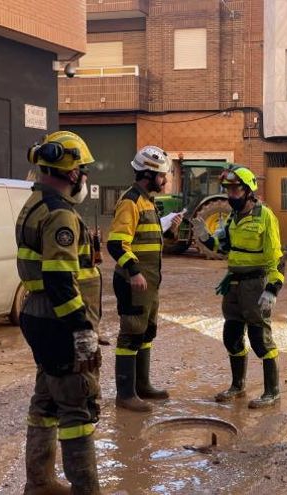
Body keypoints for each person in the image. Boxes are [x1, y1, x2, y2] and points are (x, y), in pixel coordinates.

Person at [16, 131, 102, 494]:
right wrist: (82, 329)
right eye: (82, 168)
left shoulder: (33, 204)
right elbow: (60, 280)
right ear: (70, 172)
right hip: (59, 320)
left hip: (37, 316)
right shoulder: (60, 215)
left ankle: (39, 482)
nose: (84, 175)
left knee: (46, 398)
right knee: (78, 404)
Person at [192, 165, 285, 409]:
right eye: (228, 190)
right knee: (231, 336)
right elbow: (222, 248)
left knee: (260, 339)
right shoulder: (232, 218)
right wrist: (204, 236)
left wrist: (272, 289)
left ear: (248, 190)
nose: (230, 194)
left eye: (235, 190)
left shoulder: (265, 216)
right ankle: (238, 385)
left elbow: (277, 258)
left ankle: (272, 391)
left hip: (256, 285)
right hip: (233, 285)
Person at [107, 145, 175, 413]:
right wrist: (133, 272)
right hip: (134, 282)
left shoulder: (148, 202)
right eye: (162, 176)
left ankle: (143, 385)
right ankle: (125, 394)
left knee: (147, 332)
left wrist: (170, 231)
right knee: (131, 334)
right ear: (148, 175)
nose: (165, 180)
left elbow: (147, 239)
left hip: (149, 282)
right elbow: (116, 244)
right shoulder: (131, 201)